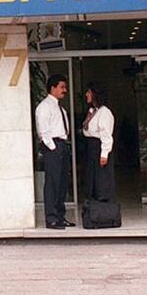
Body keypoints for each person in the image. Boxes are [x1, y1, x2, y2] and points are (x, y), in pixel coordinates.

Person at [35, 73, 73, 229]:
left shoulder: (60, 108)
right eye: (62, 87)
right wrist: (53, 148)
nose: (65, 90)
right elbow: (43, 131)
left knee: (62, 182)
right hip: (53, 146)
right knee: (52, 183)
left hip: (62, 145)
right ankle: (51, 218)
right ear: (53, 88)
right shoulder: (44, 107)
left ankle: (60, 216)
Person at [81, 83, 115, 202]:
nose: (86, 95)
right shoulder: (93, 111)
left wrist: (104, 153)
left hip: (98, 148)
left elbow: (106, 133)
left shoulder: (104, 112)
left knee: (101, 179)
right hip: (91, 147)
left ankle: (102, 206)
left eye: (89, 92)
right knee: (92, 178)